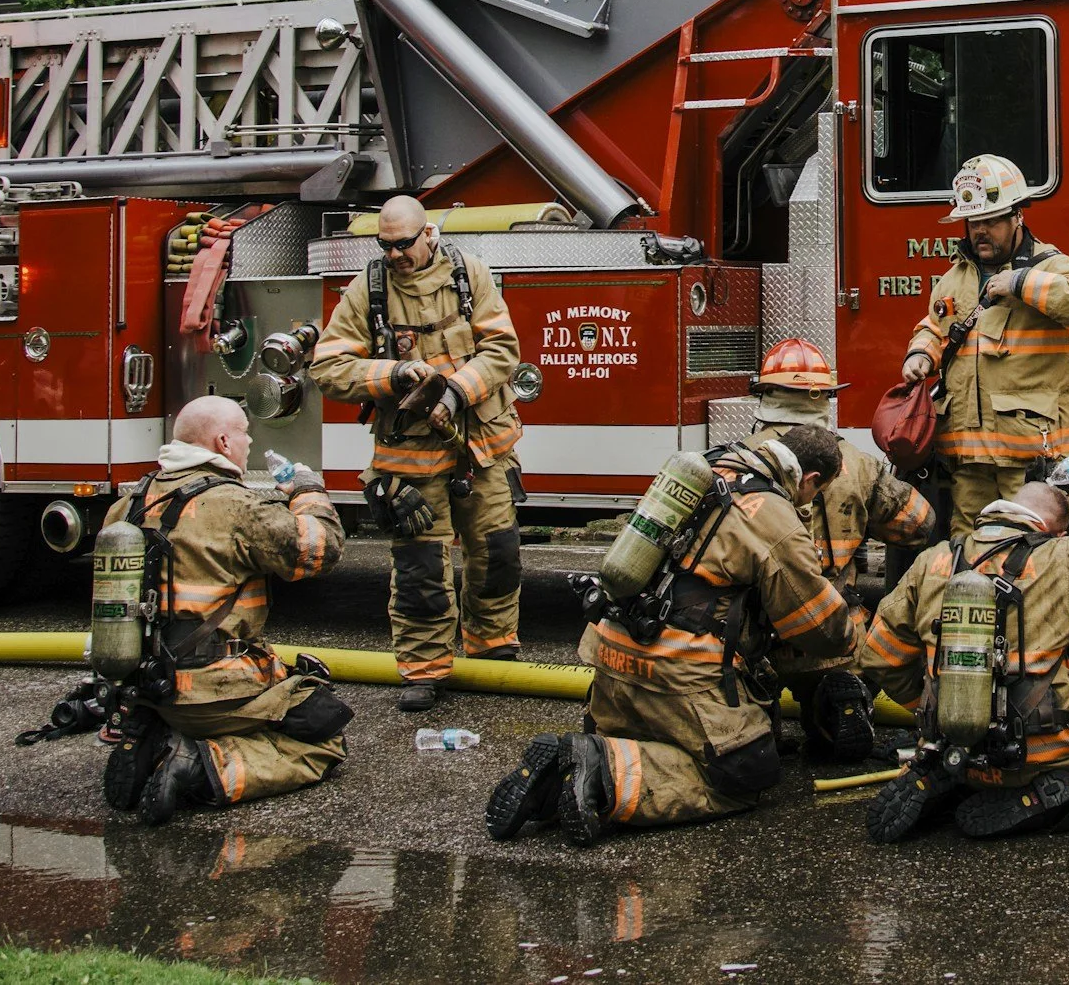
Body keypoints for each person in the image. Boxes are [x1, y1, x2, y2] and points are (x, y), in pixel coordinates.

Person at [483, 431, 852, 844]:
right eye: (816, 494)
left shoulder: (703, 469)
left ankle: (562, 775)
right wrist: (853, 627)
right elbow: (819, 628)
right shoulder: (774, 516)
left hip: (613, 662)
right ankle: (605, 773)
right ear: (810, 479)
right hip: (678, 675)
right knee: (743, 776)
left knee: (665, 737)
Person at [857, 438, 1069, 841]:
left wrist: (936, 710)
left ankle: (948, 779)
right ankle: (1065, 798)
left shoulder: (933, 560)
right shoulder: (1064, 558)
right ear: (1052, 531)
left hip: (958, 748)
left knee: (953, 751)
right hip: (1041, 754)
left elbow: (880, 656)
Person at [307, 195, 526, 713]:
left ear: (428, 233)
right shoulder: (369, 289)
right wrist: (391, 374)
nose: (396, 254)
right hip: (411, 462)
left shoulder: (471, 277)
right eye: (386, 245)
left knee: (498, 557)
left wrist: (455, 391)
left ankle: (493, 655)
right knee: (421, 571)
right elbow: (327, 368)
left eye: (404, 243)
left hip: (482, 451)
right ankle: (424, 671)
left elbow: (502, 350)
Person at [100, 397, 352, 825]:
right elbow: (322, 550)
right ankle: (201, 765)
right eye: (244, 432)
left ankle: (157, 736)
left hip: (146, 686)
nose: (250, 440)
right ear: (222, 442)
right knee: (323, 736)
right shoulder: (237, 506)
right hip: (217, 693)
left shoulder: (128, 504)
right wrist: (308, 490)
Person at [742, 337, 937, 761]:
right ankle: (837, 703)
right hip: (834, 630)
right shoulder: (855, 462)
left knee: (746, 716)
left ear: (765, 395)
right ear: (826, 398)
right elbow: (919, 524)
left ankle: (761, 730)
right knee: (834, 699)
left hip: (759, 637)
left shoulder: (740, 461)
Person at [900, 154, 1069, 535]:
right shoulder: (955, 278)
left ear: (1018, 216)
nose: (981, 230)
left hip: (1033, 458)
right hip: (968, 456)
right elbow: (934, 328)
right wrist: (920, 353)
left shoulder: (1049, 266)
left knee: (1034, 553)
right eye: (974, 221)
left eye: (992, 220)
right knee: (969, 549)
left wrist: (1022, 284)